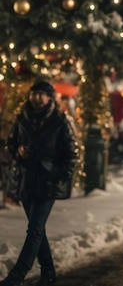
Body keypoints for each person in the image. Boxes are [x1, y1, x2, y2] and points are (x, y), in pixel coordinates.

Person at [0, 80, 78, 286]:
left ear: (50, 97)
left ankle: (16, 276)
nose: (38, 98)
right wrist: (18, 150)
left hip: (48, 182)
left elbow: (72, 153)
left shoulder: (60, 120)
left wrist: (59, 176)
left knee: (34, 229)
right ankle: (49, 273)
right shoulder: (22, 117)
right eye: (35, 94)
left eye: (43, 94)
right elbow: (11, 142)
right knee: (37, 230)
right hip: (26, 181)